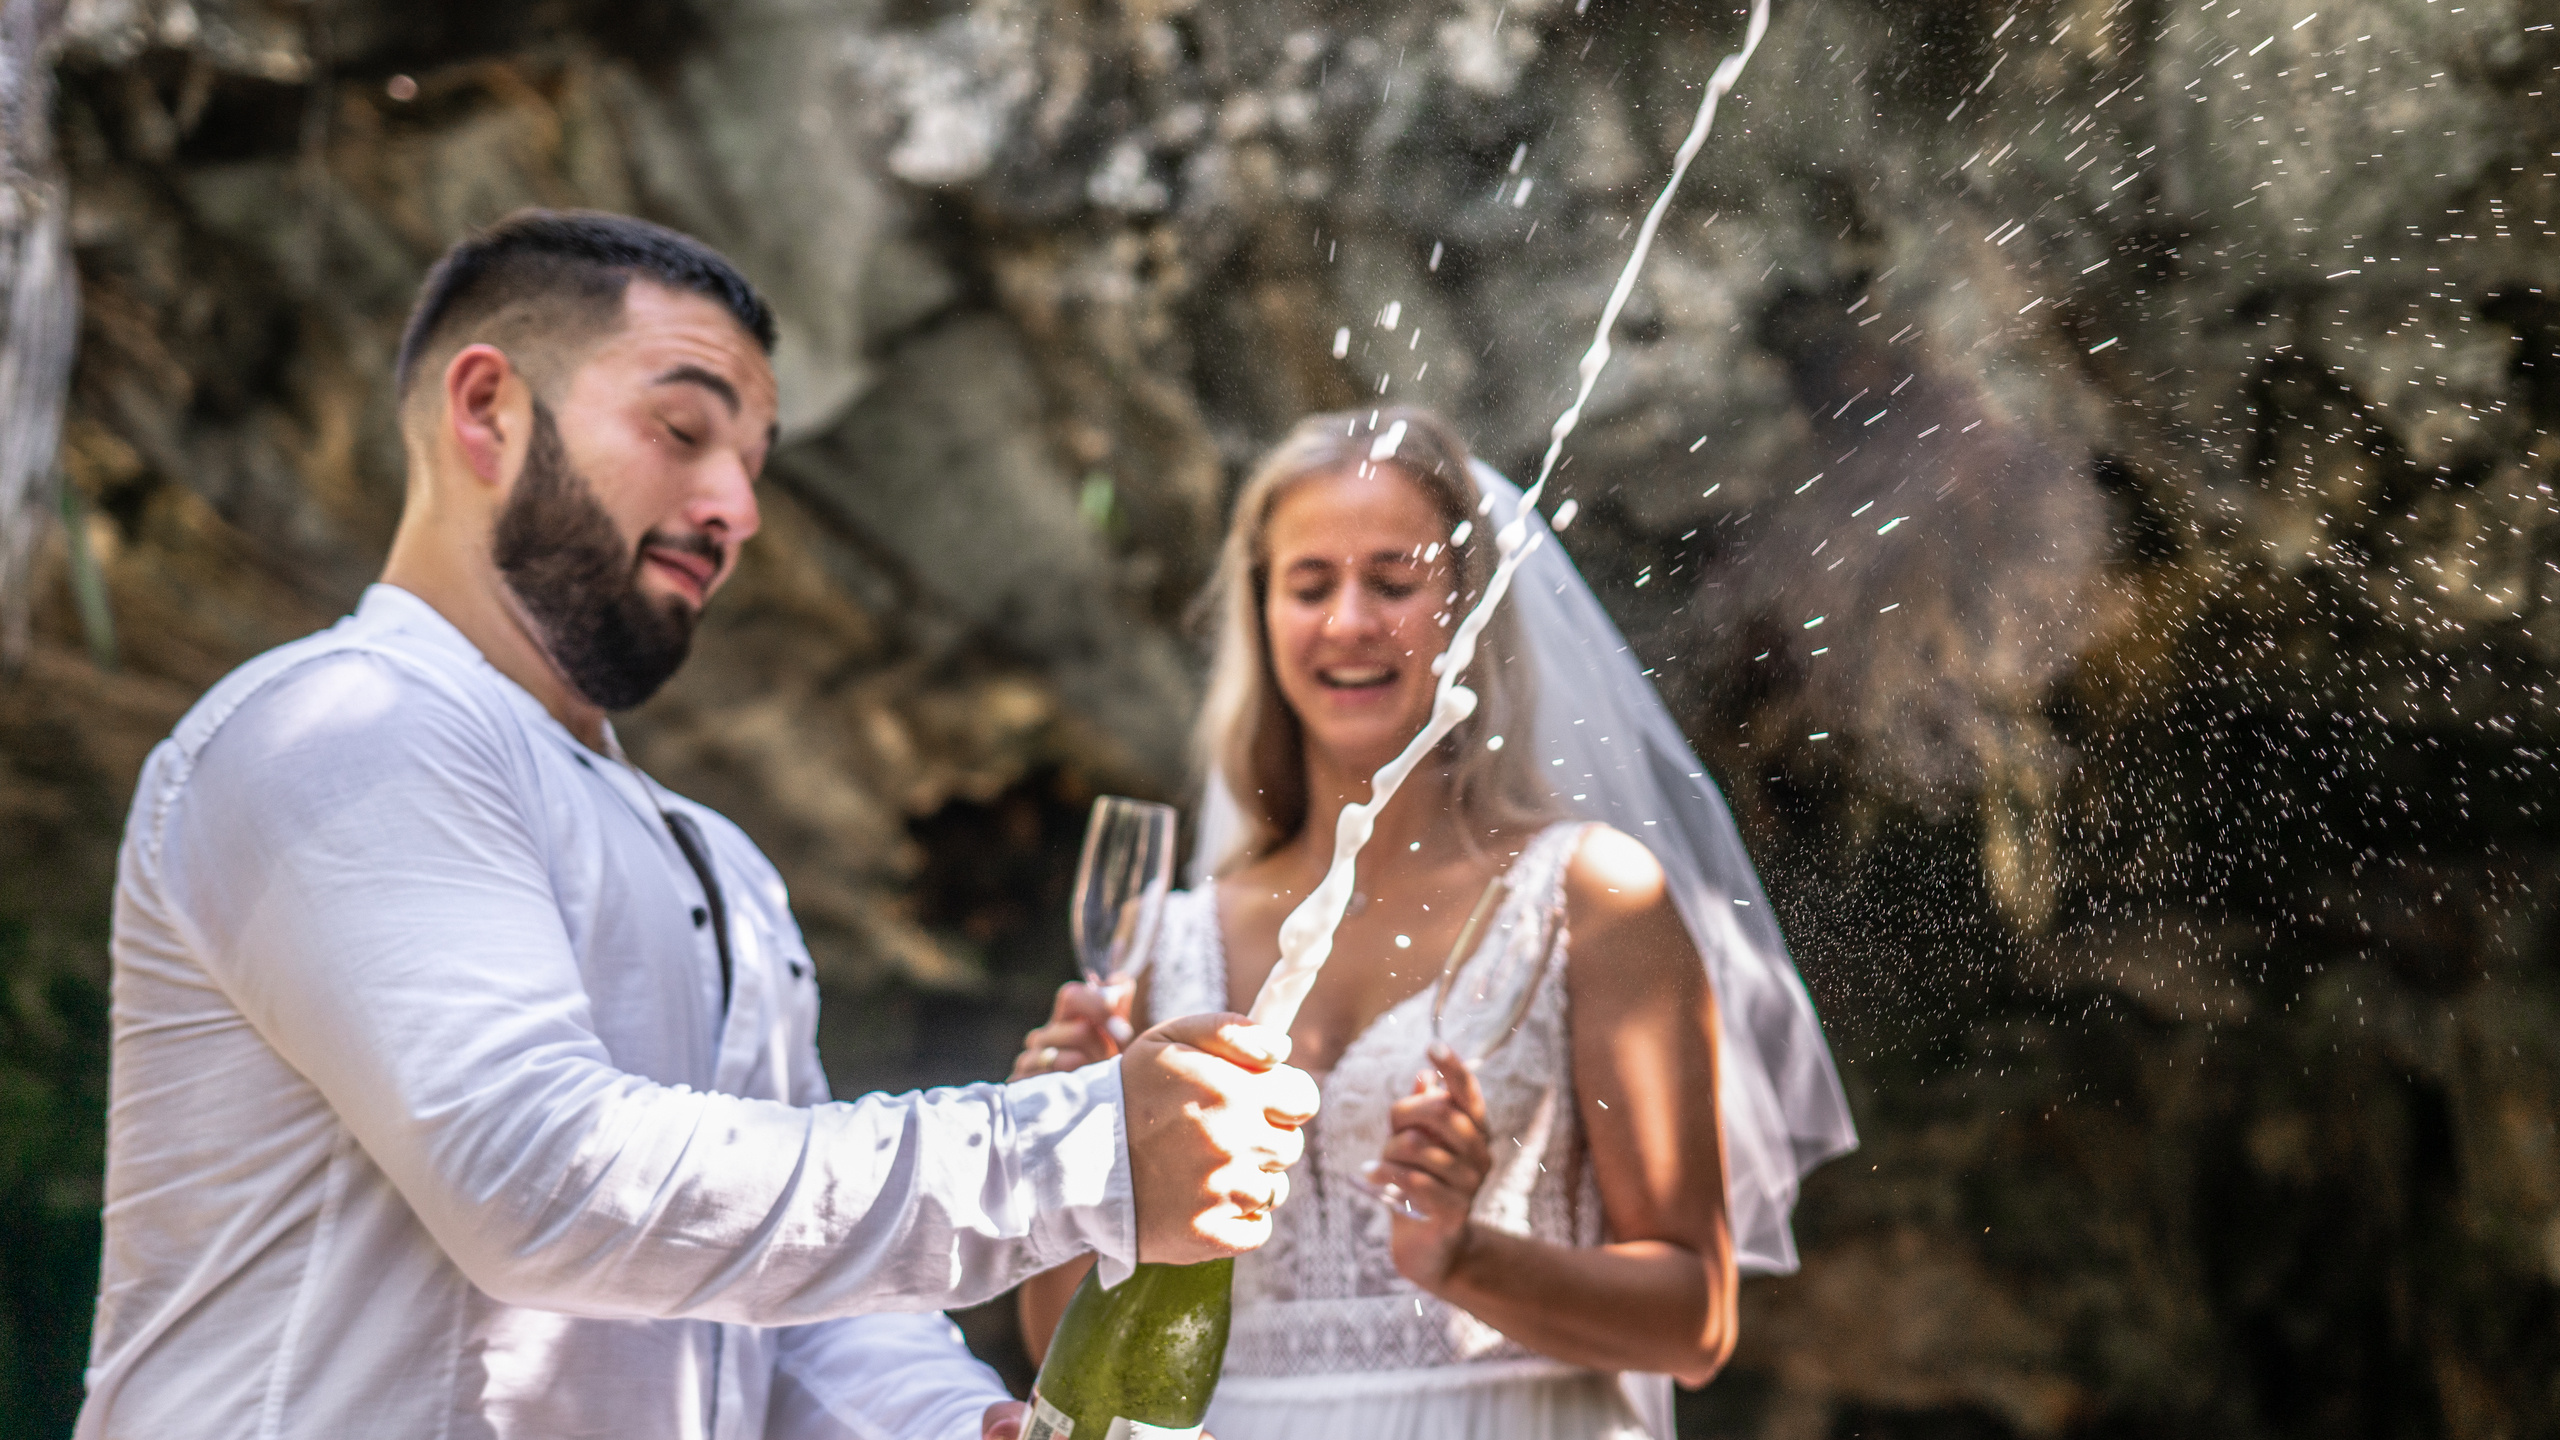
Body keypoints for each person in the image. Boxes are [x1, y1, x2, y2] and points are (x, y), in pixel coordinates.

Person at [79, 209, 1320, 1440]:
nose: (738, 506)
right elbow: (539, 1180)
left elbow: (783, 1317)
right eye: (683, 430)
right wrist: (1081, 1150)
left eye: (757, 461)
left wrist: (947, 1425)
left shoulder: (720, 864)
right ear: (485, 409)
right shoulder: (344, 728)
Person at [1011, 407, 1857, 1439]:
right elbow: (1065, 1342)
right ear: (1263, 614)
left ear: (1465, 606)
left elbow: (1695, 1321)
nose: (1350, 622)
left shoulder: (1587, 894)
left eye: (1394, 580)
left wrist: (1465, 1255)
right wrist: (1060, 1159)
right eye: (1310, 585)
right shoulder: (1161, 937)